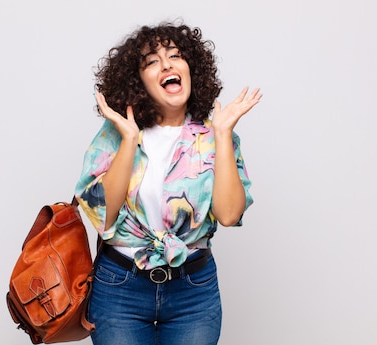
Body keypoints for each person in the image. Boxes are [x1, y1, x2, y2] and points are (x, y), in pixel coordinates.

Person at [74, 21, 262, 345]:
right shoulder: (117, 134)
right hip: (120, 287)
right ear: (139, 81)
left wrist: (222, 134)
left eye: (175, 56)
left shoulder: (215, 136)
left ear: (191, 69)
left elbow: (229, 215)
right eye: (152, 61)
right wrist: (130, 139)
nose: (167, 65)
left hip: (193, 292)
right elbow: (102, 213)